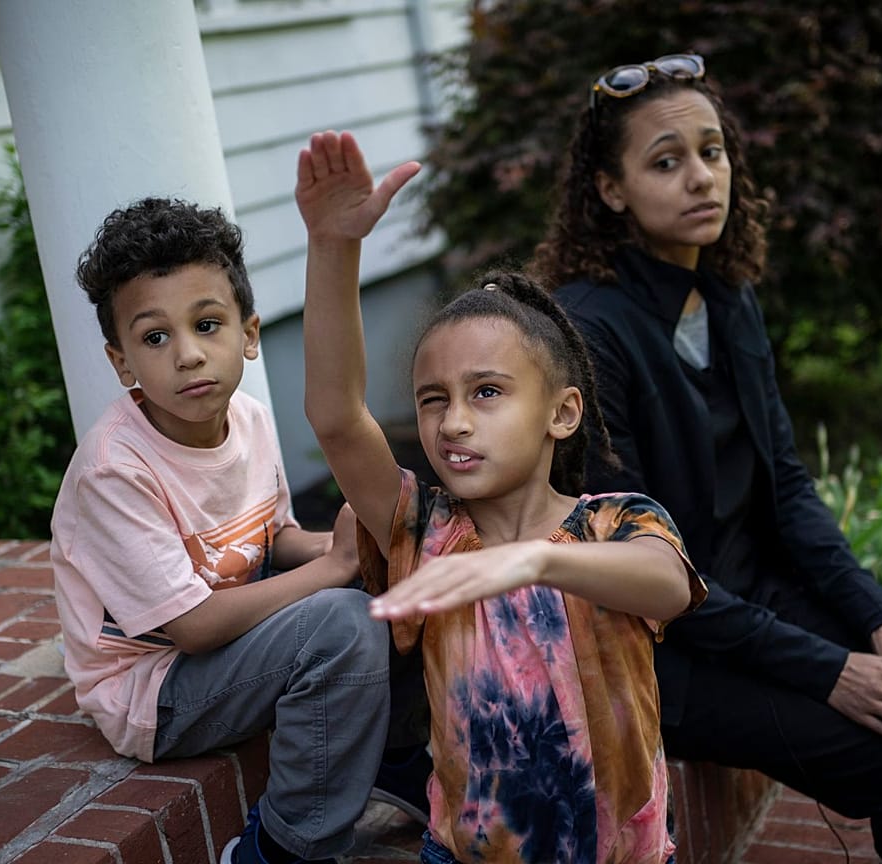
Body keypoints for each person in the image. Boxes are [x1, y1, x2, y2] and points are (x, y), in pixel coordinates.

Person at [534, 54, 882, 864]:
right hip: (659, 647)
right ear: (610, 190)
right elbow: (635, 570)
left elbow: (786, 490)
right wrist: (829, 670)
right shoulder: (588, 332)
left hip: (756, 605)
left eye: (713, 152)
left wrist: (880, 619)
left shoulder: (726, 298)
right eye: (666, 161)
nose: (702, 178)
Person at [295, 130, 707, 864]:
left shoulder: (616, 523)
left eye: (486, 393)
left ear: (562, 413)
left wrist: (534, 563)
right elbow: (334, 415)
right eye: (432, 399)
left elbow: (668, 586)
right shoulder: (421, 530)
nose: (453, 421)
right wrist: (332, 248)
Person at [50, 197, 391, 864]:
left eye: (207, 325)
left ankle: (397, 758)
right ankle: (287, 846)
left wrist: (349, 547)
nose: (187, 355)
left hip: (226, 645)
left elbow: (272, 538)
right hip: (156, 689)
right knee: (344, 625)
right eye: (154, 338)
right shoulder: (114, 470)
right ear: (122, 364)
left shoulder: (251, 418)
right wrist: (331, 570)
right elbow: (195, 627)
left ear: (250, 333)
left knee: (398, 579)